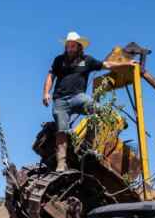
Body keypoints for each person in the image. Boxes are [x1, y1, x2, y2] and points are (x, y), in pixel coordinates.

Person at [43, 31, 136, 171]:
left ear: (79, 47)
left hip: (78, 97)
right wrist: (46, 93)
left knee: (101, 112)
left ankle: (87, 146)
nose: (70, 48)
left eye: (73, 45)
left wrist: (127, 63)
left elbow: (107, 65)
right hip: (60, 100)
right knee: (61, 131)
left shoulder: (87, 60)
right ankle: (61, 163)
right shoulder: (58, 60)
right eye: (68, 45)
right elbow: (51, 76)